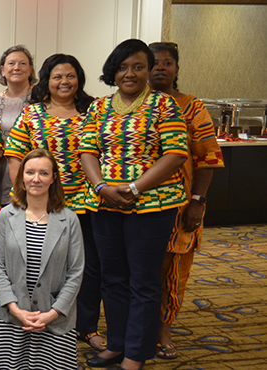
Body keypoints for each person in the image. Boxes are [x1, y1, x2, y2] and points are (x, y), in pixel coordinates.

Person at [79, 39, 188, 370]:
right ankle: (116, 344)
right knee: (112, 277)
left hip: (152, 205)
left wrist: (134, 188)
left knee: (143, 280)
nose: (130, 73)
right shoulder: (99, 107)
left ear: (148, 70)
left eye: (138, 67)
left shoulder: (164, 105)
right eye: (123, 67)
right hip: (105, 203)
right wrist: (101, 186)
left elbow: (175, 153)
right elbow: (87, 151)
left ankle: (135, 355)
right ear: (113, 71)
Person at [3, 53, 106, 353]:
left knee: (86, 268)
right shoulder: (32, 114)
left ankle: (86, 326)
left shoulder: (93, 112)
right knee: (40, 265)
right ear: (46, 80)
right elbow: (15, 157)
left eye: (70, 75)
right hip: (41, 203)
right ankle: (40, 317)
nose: (64, 81)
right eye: (57, 76)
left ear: (79, 79)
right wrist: (23, 196)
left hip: (85, 203)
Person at [148, 41, 224, 360]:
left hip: (180, 206)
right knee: (137, 272)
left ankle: (163, 332)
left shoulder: (191, 106)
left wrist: (197, 201)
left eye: (168, 62)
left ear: (177, 69)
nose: (160, 67)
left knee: (172, 271)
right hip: (135, 207)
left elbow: (208, 157)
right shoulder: (130, 105)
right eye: (153, 62)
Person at [0, 149, 85, 369]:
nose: (36, 179)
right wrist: (14, 309)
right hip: (13, 317)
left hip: (54, 317)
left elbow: (76, 273)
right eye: (30, 172)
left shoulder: (69, 220)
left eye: (43, 173)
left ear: (53, 178)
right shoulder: (6, 215)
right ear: (21, 176)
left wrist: (53, 313)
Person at [0, 45, 35, 206]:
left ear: (30, 70)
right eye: (11, 63)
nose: (16, 67)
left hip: (33, 173)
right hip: (0, 174)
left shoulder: (42, 99)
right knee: (3, 227)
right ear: (2, 70)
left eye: (22, 63)